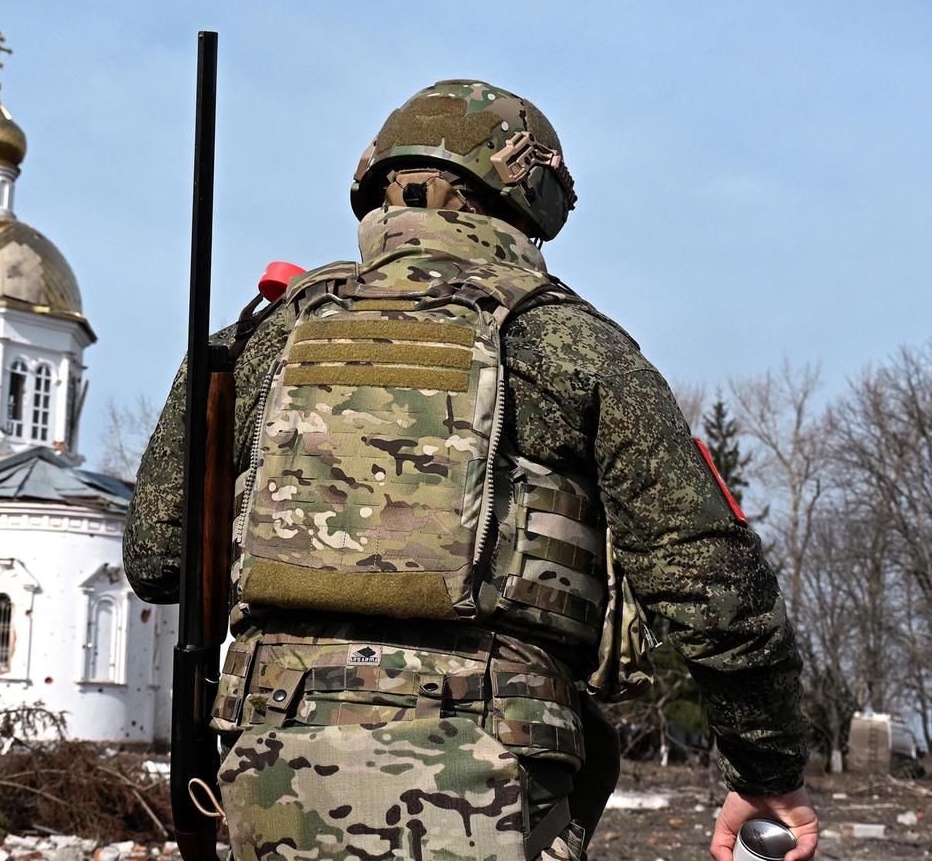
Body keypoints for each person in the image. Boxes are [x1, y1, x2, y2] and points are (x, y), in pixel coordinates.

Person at [126, 80, 818, 861]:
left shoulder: (257, 339)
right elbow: (710, 581)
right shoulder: (573, 342)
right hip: (499, 772)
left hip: (273, 771)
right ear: (529, 192)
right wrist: (767, 767)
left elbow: (158, 562)